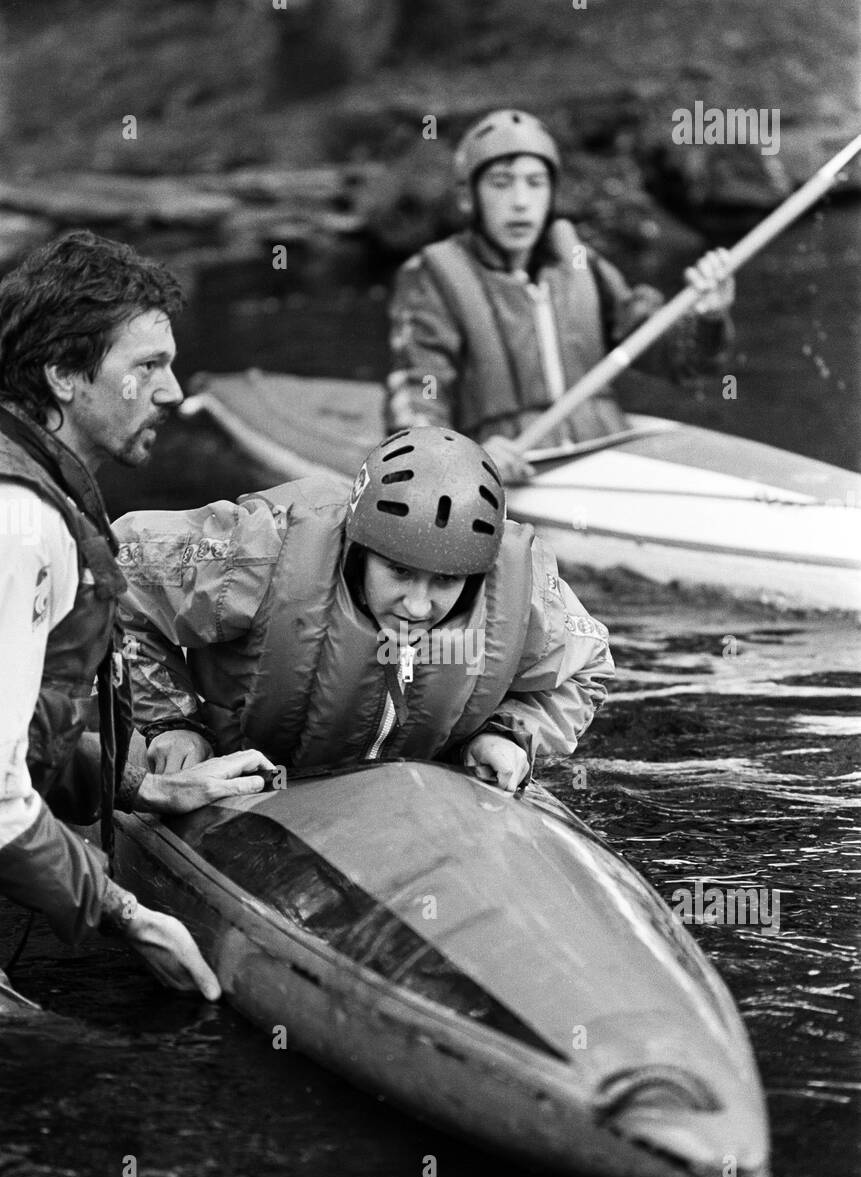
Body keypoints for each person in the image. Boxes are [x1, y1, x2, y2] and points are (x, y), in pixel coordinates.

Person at [0, 230, 274, 1003]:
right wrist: (127, 915)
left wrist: (142, 784)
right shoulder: (17, 524)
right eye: (147, 366)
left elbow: (20, 733)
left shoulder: (33, 490)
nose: (174, 391)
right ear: (62, 373)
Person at [113, 426, 615, 791]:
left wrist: (507, 733)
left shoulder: (521, 591)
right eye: (398, 572)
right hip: (247, 774)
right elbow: (118, 575)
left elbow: (586, 667)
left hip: (414, 790)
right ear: (359, 549)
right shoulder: (263, 552)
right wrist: (173, 722)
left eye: (445, 581)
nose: (419, 606)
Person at [385, 109, 736, 483]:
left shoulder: (580, 261)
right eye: (501, 183)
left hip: (603, 456)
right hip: (507, 471)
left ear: (551, 193)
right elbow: (417, 401)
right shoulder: (432, 277)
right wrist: (464, 458)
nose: (520, 201)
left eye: (535, 183)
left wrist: (707, 317)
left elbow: (681, 364)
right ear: (468, 196)